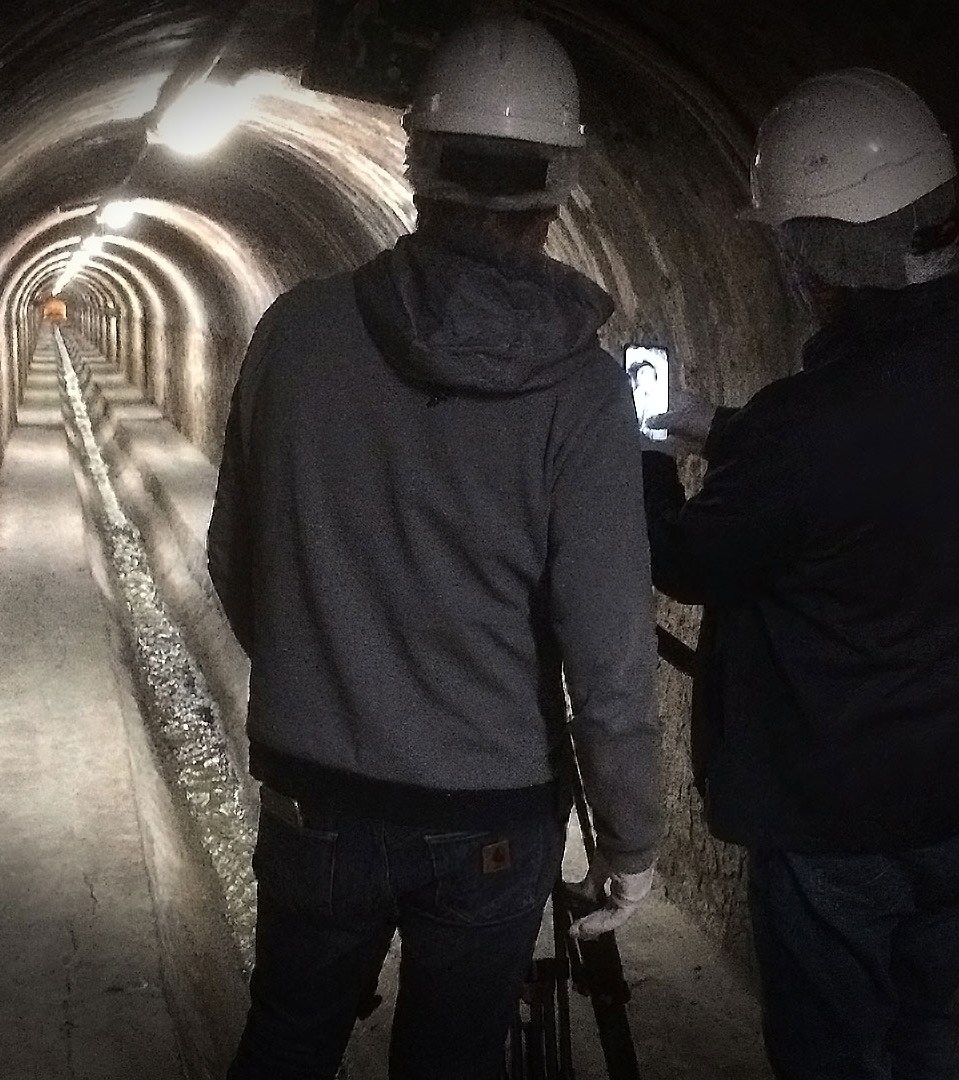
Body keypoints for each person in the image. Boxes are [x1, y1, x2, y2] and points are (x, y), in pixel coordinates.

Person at [208, 16, 661, 1079]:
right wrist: (630, 838)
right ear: (559, 188)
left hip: (315, 795)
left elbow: (236, 558)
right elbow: (607, 657)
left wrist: (331, 678)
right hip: (492, 816)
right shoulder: (583, 391)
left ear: (416, 164)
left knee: (287, 1041)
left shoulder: (295, 333)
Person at [642, 69, 959, 1080]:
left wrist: (645, 452)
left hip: (842, 819)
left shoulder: (804, 428)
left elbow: (685, 558)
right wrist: (711, 425)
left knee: (833, 1055)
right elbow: (868, 466)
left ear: (822, 259)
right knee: (924, 1029)